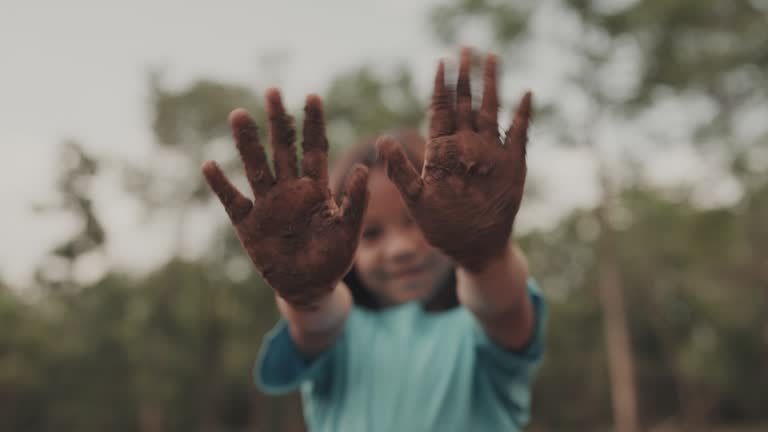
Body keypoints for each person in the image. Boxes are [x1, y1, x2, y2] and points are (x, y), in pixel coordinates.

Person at [201, 48, 547, 431]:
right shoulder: (342, 334)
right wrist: (306, 294)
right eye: (372, 234)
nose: (399, 249)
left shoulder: (477, 329)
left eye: (414, 221)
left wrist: (484, 255)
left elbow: (501, 305)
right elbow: (317, 321)